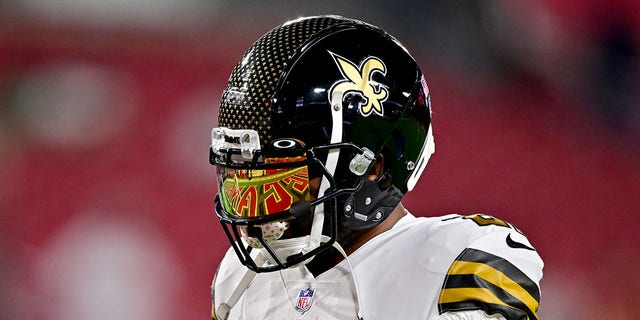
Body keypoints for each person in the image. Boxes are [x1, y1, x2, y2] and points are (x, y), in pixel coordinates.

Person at [208, 15, 543, 320]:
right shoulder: (242, 277)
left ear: (371, 168)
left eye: (286, 178)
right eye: (245, 177)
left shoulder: (456, 263)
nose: (258, 216)